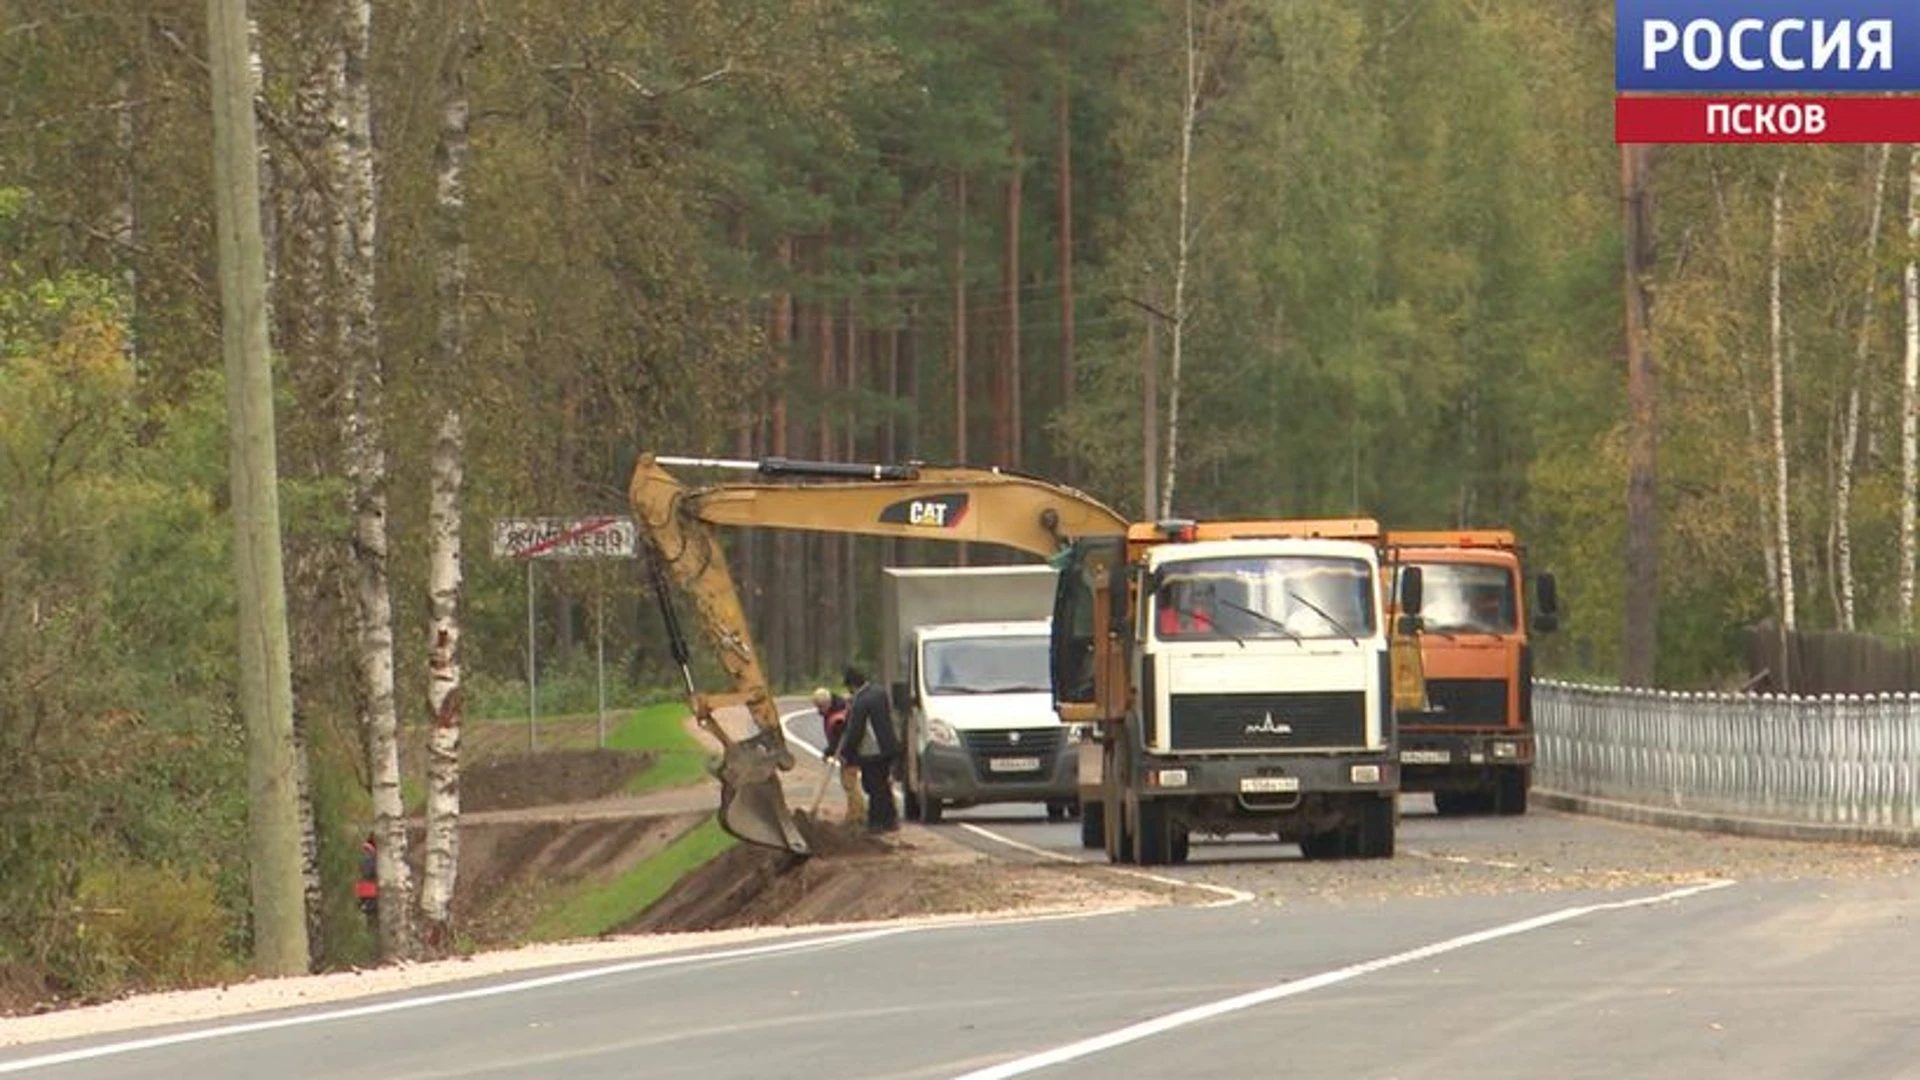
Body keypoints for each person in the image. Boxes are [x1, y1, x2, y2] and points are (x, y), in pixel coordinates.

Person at [834, 665, 900, 832]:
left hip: (872, 751)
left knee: (873, 786)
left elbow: (856, 731)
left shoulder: (861, 701)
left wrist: (846, 753)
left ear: (852, 685)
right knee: (883, 784)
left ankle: (876, 822)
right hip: (888, 746)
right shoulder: (879, 692)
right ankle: (890, 819)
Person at [813, 686, 865, 823]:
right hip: (848, 753)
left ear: (827, 704)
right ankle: (855, 812)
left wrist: (831, 752)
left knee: (850, 784)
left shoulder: (838, 719)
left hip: (850, 754)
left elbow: (839, 741)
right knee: (848, 784)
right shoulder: (837, 710)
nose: (819, 711)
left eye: (821, 707)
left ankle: (858, 814)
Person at [355, 833, 379, 926]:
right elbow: (368, 872)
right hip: (370, 893)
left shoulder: (363, 853)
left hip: (363, 892)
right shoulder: (370, 855)